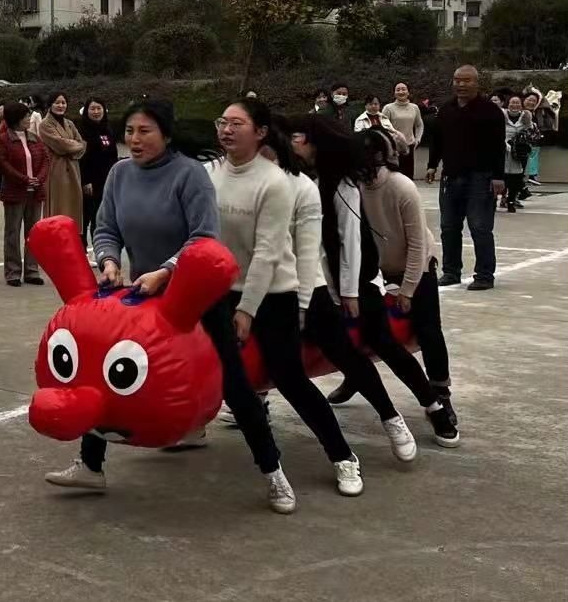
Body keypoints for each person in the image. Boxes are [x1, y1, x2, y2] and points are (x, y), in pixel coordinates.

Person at [47, 99, 225, 492]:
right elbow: (106, 227)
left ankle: (271, 468)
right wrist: (109, 261)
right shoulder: (120, 173)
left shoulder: (190, 175)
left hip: (191, 293)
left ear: (167, 135)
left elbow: (204, 237)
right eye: (130, 131)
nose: (135, 139)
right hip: (144, 293)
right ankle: (90, 465)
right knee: (99, 362)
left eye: (145, 131)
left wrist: (166, 271)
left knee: (233, 378)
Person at [209, 99, 362, 502]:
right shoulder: (210, 174)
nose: (226, 129)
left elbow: (269, 252)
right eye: (222, 122)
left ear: (260, 132)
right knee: (227, 377)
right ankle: (267, 464)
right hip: (225, 290)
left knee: (290, 379)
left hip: (273, 293)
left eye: (236, 123)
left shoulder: (276, 183)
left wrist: (249, 309)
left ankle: (342, 455)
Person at [289, 115, 459, 450]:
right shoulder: (313, 180)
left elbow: (358, 241)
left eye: (295, 137)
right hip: (339, 278)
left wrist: (390, 290)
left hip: (383, 273)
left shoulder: (368, 186)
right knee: (347, 346)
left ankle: (437, 401)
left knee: (408, 335)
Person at [354, 127, 460, 437]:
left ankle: (440, 392)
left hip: (416, 266)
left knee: (428, 330)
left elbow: (418, 244)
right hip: (376, 269)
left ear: (377, 155)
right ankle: (354, 377)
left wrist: (409, 289)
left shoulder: (401, 187)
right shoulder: (354, 186)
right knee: (364, 328)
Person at [426, 65, 505, 291]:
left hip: (481, 177)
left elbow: (498, 146)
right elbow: (438, 141)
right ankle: (451, 271)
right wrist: (432, 165)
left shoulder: (490, 111)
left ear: (476, 83)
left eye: (466, 80)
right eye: (457, 80)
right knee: (448, 226)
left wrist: (498, 177)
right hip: (451, 176)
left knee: (480, 227)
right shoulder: (446, 110)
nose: (460, 84)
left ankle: (484, 275)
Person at [0, 102, 50, 288]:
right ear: (16, 118)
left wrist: (39, 179)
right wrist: (24, 179)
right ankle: (13, 272)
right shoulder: (4, 140)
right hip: (15, 192)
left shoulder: (34, 137)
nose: (29, 119)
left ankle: (32, 271)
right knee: (12, 233)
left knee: (33, 233)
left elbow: (45, 160)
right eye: (26, 116)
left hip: (35, 192)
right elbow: (2, 164)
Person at [37, 91, 86, 225]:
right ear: (50, 105)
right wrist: (73, 147)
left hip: (73, 170)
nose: (61, 105)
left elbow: (82, 144)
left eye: (63, 103)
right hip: (56, 172)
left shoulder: (69, 123)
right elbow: (61, 145)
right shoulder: (45, 124)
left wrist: (72, 147)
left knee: (73, 210)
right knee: (58, 210)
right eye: (57, 102)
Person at [77, 97, 118, 247]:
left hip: (106, 180)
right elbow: (81, 158)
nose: (96, 112)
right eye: (92, 109)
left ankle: (100, 248)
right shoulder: (81, 131)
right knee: (85, 216)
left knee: (100, 217)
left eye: (99, 108)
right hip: (89, 182)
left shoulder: (107, 129)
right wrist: (85, 180)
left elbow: (113, 154)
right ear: (86, 111)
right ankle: (81, 248)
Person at [382, 82, 425, 180]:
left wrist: (418, 139)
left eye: (403, 89)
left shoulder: (414, 107)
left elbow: (419, 125)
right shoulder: (388, 108)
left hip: (409, 146)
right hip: (393, 148)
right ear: (394, 93)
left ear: (408, 92)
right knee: (394, 178)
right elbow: (383, 127)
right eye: (398, 90)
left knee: (408, 178)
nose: (401, 92)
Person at [501, 94, 534, 214]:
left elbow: (531, 132)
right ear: (508, 104)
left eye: (517, 103)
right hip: (503, 150)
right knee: (502, 176)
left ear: (521, 105)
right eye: (512, 102)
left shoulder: (526, 117)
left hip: (519, 152)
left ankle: (511, 201)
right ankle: (498, 199)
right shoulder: (502, 114)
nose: (515, 105)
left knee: (516, 178)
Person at [522, 90, 555, 187]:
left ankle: (532, 176)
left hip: (533, 140)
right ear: (524, 100)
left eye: (534, 101)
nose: (531, 102)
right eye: (529, 100)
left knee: (533, 155)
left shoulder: (537, 113)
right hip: (520, 140)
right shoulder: (519, 111)